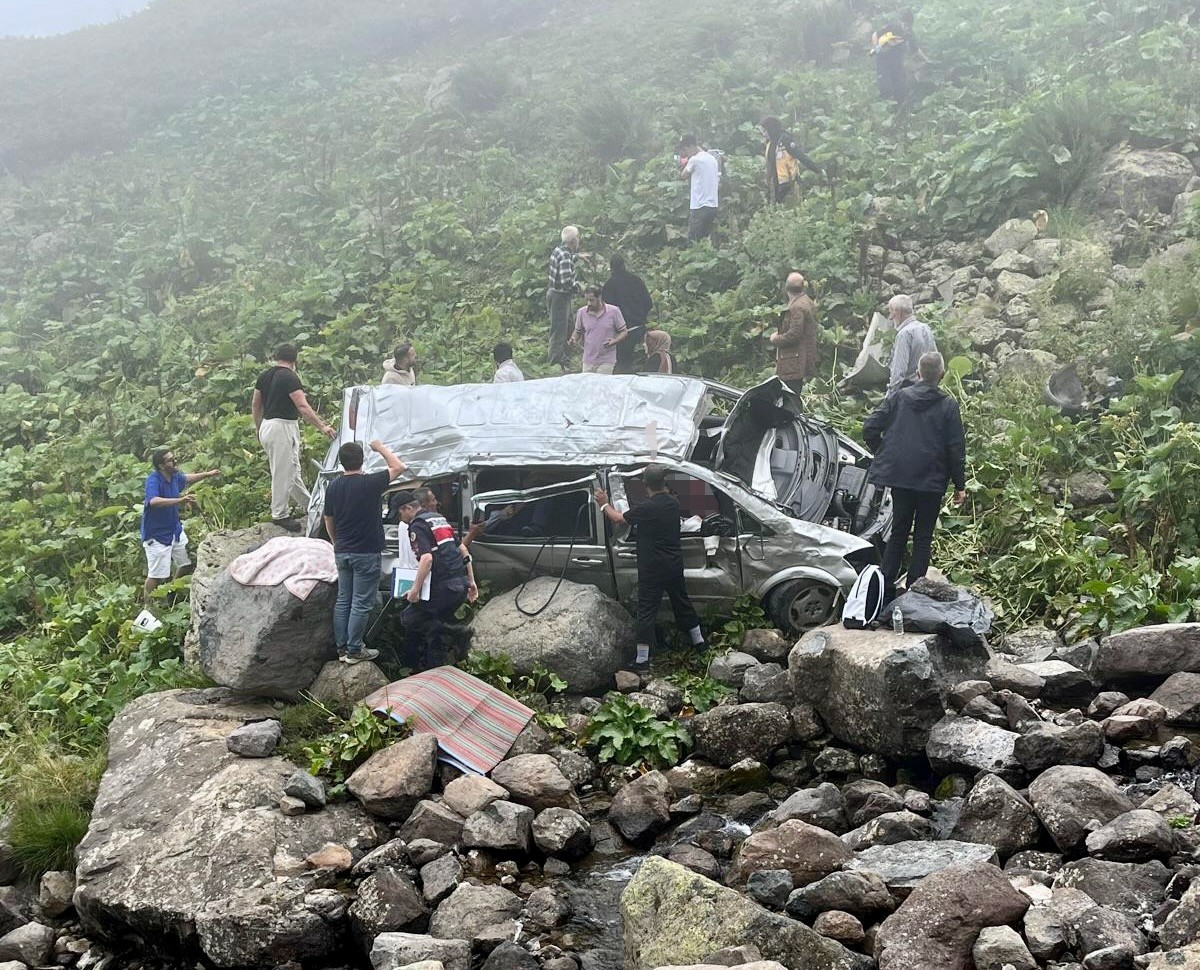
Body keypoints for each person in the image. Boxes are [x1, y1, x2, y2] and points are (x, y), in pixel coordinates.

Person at [863, 351, 966, 594]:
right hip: (931, 481)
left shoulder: (900, 397)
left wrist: (884, 452)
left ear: (918, 374)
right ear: (942, 375)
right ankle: (913, 592)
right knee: (923, 537)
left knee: (898, 532)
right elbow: (955, 448)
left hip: (900, 477)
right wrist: (959, 485)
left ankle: (884, 590)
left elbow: (870, 427)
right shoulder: (948, 405)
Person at [594, 465, 706, 672]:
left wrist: (604, 504)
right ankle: (700, 643)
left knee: (646, 612)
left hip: (652, 568)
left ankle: (642, 660)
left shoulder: (647, 508)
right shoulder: (673, 503)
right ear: (665, 483)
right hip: (673, 565)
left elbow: (618, 518)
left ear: (645, 484)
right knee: (682, 602)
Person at [322, 440, 406, 665]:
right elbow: (399, 467)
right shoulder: (370, 482)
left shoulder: (334, 486)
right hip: (366, 552)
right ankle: (354, 650)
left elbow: (328, 518)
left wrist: (335, 541)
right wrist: (379, 447)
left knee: (343, 600)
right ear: (362, 460)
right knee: (360, 602)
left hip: (343, 551)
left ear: (341, 462)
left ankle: (341, 649)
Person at [251, 343, 336, 528]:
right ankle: (279, 514)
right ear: (294, 360)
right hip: (282, 426)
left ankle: (312, 505)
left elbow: (256, 404)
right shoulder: (290, 378)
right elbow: (303, 407)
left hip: (267, 425)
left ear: (276, 357)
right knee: (282, 471)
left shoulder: (264, 376)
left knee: (292, 470)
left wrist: (258, 427)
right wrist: (323, 426)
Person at [397, 489, 479, 669]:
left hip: (443, 587)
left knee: (408, 618)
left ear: (407, 508)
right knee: (436, 634)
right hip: (459, 585)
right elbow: (463, 550)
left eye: (399, 512)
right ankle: (433, 669)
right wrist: (471, 582)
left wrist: (415, 591)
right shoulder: (438, 519)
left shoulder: (417, 525)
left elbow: (427, 559)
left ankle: (457, 632)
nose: (399, 517)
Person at [141, 448, 220, 603]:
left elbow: (187, 478)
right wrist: (180, 500)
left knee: (185, 564)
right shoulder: (153, 480)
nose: (175, 461)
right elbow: (153, 501)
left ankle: (171, 592)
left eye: (174, 458)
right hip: (156, 535)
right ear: (162, 466)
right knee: (156, 575)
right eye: (171, 460)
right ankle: (148, 607)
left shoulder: (175, 476)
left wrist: (208, 474)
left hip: (174, 529)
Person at [601, 255, 653, 374]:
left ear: (611, 268)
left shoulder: (609, 285)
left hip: (621, 334)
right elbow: (649, 303)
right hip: (639, 329)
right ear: (624, 265)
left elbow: (606, 312)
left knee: (623, 366)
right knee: (640, 365)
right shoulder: (636, 280)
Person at [770, 271, 819, 396]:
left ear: (786, 287)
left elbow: (794, 334)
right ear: (803, 286)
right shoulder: (806, 301)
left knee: (790, 398)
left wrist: (776, 338)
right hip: (801, 358)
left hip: (794, 361)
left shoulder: (797, 307)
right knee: (793, 396)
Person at [759, 116, 823, 204]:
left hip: (789, 184)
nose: (764, 134)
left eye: (765, 131)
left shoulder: (785, 140)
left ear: (771, 129)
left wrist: (817, 170)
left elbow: (801, 156)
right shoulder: (769, 143)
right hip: (775, 184)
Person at [885, 294, 938, 398]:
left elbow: (899, 372)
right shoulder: (925, 328)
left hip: (909, 391)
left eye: (891, 313)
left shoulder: (904, 334)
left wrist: (889, 398)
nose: (891, 318)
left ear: (898, 312)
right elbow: (936, 360)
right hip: (929, 389)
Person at [570, 284, 628, 374]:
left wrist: (615, 341)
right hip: (588, 360)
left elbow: (624, 331)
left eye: (591, 300)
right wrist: (573, 339)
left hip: (607, 360)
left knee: (601, 386)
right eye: (587, 300)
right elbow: (577, 331)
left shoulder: (613, 311)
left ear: (599, 297)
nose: (589, 303)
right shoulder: (582, 312)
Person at [547, 226, 581, 369]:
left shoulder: (559, 250)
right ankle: (554, 362)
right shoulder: (566, 256)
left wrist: (579, 257)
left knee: (568, 326)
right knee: (559, 330)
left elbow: (565, 261)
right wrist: (579, 288)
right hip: (560, 296)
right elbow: (565, 281)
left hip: (553, 293)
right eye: (578, 238)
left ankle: (565, 356)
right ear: (573, 241)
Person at [677, 135, 719, 243]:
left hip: (699, 207)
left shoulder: (695, 160)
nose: (686, 153)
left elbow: (683, 176)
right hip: (713, 206)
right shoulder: (712, 158)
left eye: (685, 150)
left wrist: (680, 165)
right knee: (706, 241)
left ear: (691, 146)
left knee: (693, 242)